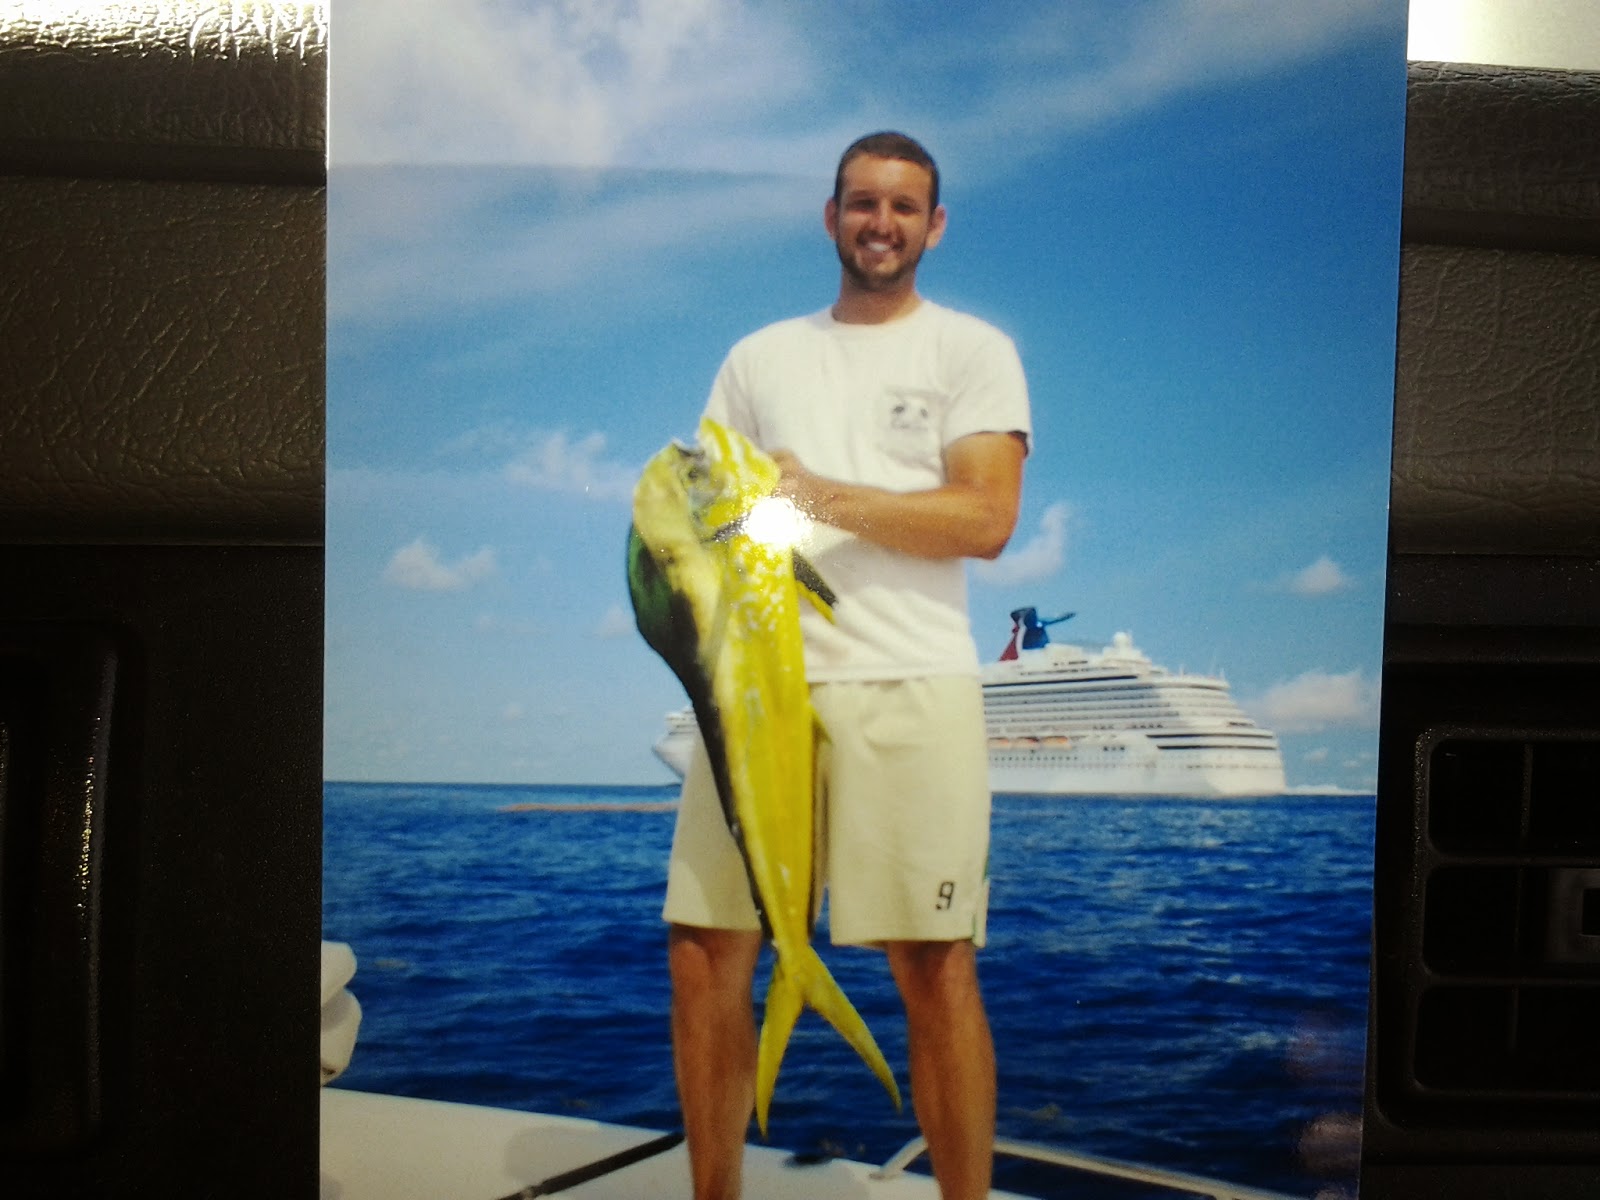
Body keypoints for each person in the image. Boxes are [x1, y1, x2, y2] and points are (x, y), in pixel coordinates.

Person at [662, 130, 1031, 1200]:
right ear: (831, 216)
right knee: (701, 949)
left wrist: (816, 495)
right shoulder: (757, 358)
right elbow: (709, 516)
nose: (881, 223)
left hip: (908, 682)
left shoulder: (972, 351)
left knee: (933, 964)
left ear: (935, 226)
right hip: (754, 688)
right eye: (862, 203)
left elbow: (985, 518)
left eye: (903, 207)